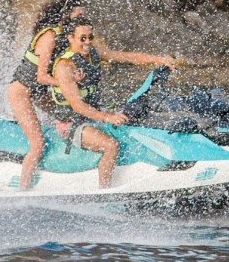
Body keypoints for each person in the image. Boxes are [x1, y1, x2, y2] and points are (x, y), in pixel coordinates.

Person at [50, 16, 175, 188]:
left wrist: (159, 60)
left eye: (90, 37)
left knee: (135, 121)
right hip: (71, 124)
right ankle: (104, 193)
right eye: (82, 38)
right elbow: (77, 106)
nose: (87, 42)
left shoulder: (93, 53)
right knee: (111, 145)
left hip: (92, 117)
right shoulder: (64, 66)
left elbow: (125, 57)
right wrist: (107, 117)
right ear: (70, 38)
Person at [7, 0, 85, 190]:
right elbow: (42, 76)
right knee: (38, 143)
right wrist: (66, 82)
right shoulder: (49, 36)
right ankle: (22, 190)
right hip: (22, 92)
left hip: (39, 92)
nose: (83, 18)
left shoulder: (67, 37)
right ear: (66, 15)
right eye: (79, 15)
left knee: (74, 116)